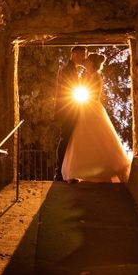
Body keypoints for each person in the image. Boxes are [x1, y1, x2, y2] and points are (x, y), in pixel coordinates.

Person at [61, 52, 131, 183]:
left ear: (92, 63)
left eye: (87, 61)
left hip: (92, 109)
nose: (85, 61)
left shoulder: (96, 77)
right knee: (85, 139)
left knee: (99, 138)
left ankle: (105, 167)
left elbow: (91, 93)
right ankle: (88, 171)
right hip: (85, 108)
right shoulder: (87, 75)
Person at [53, 45, 87, 181]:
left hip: (70, 109)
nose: (82, 58)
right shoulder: (67, 69)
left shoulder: (72, 69)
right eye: (80, 55)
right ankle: (59, 173)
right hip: (67, 110)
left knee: (68, 140)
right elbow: (68, 90)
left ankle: (65, 172)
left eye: (84, 55)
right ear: (73, 53)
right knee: (65, 140)